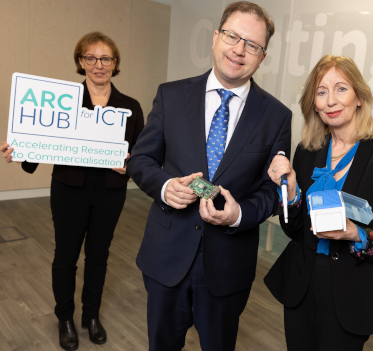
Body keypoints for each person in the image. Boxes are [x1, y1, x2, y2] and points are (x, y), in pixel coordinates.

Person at [126, 2, 291, 350]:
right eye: (233, 36)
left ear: (262, 56)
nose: (239, 49)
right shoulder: (170, 95)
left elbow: (271, 190)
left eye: (253, 44)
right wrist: (166, 187)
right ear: (216, 38)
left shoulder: (277, 116)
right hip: (166, 258)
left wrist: (239, 214)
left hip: (227, 267)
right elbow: (141, 159)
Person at [0, 31, 144, 350]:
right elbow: (41, 145)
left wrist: (130, 165)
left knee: (98, 256)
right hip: (69, 189)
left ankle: (90, 317)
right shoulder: (63, 102)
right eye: (91, 58)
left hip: (110, 191)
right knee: (65, 257)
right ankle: (64, 317)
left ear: (115, 63)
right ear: (81, 61)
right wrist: (21, 151)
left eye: (106, 58)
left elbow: (142, 156)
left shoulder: (130, 107)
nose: (99, 64)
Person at [263, 55, 373, 351]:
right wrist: (291, 194)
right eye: (321, 92)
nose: (331, 100)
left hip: (352, 291)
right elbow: (294, 229)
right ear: (315, 105)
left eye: (341, 89)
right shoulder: (307, 151)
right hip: (301, 282)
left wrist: (356, 234)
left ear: (359, 97)